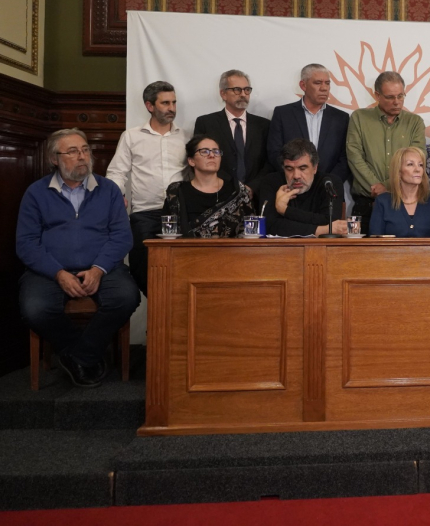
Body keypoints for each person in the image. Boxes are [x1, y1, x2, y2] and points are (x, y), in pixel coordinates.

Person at [16, 128, 140, 388]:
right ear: (54, 159)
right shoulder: (36, 193)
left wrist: (99, 269)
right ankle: (85, 354)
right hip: (50, 270)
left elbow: (121, 237)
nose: (82, 156)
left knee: (126, 298)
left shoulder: (108, 190)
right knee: (35, 308)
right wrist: (58, 273)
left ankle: (79, 356)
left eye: (85, 150)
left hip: (104, 268)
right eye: (72, 152)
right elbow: (26, 244)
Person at [106, 80, 186, 295]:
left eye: (174, 102)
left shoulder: (186, 136)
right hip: (145, 214)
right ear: (150, 106)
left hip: (181, 214)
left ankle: (173, 325)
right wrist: (117, 195)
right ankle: (157, 325)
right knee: (143, 273)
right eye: (165, 103)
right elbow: (116, 172)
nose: (172, 108)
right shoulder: (131, 136)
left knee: (182, 272)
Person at [346, 71, 426, 231]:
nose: (397, 102)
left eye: (401, 96)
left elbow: (418, 159)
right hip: (365, 202)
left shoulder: (414, 122)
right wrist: (376, 186)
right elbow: (354, 157)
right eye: (390, 97)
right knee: (360, 255)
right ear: (377, 95)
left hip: (404, 204)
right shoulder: (359, 118)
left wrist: (386, 186)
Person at [267, 63, 350, 184]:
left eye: (327, 83)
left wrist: (328, 182)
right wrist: (296, 176)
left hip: (328, 188)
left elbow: (345, 157)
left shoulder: (341, 118)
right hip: (292, 187)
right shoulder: (283, 114)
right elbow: (274, 153)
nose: (324, 88)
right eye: (317, 83)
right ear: (303, 85)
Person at [193, 69, 273, 193]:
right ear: (223, 94)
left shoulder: (264, 125)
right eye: (237, 89)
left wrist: (252, 188)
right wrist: (232, 186)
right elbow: (201, 160)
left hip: (256, 194)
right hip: (219, 193)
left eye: (247, 90)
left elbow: (270, 162)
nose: (243, 94)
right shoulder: (206, 123)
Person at [162, 135, 255, 238]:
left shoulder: (236, 191)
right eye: (204, 151)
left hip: (232, 252)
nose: (212, 155)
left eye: (216, 151)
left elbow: (251, 232)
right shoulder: (178, 193)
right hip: (187, 252)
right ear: (191, 161)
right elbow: (168, 235)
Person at [258, 138, 346, 237]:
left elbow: (330, 221)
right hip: (279, 249)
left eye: (302, 168)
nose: (296, 176)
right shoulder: (271, 182)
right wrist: (320, 230)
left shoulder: (329, 183)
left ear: (315, 168)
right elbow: (269, 226)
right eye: (289, 169)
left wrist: (285, 210)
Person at [370, 147, 430, 237]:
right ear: (398, 172)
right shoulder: (383, 201)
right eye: (410, 164)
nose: (417, 169)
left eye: (420, 165)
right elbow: (375, 242)